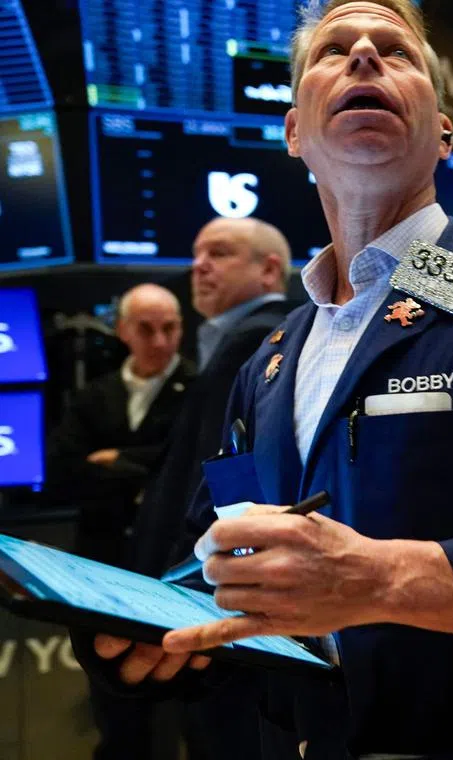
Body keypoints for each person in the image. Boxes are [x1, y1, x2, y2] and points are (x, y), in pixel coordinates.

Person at [75, 2, 453, 758]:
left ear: (443, 133)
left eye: (396, 52)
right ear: (294, 132)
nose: (365, 53)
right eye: (332, 50)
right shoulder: (268, 360)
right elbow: (227, 557)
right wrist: (151, 630)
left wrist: (382, 580)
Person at [127, 217, 295, 760]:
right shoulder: (251, 338)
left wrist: (170, 594)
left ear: (269, 269)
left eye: (219, 253)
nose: (198, 266)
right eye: (197, 254)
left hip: (212, 600)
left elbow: (219, 482)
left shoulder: (256, 339)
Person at [45, 283, 195, 760]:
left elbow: (189, 470)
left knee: (185, 703)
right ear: (123, 330)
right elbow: (64, 472)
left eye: (169, 328)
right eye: (146, 329)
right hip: (101, 564)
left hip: (172, 567)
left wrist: (116, 459)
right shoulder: (94, 395)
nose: (160, 340)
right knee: (113, 700)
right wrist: (146, 469)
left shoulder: (199, 389)